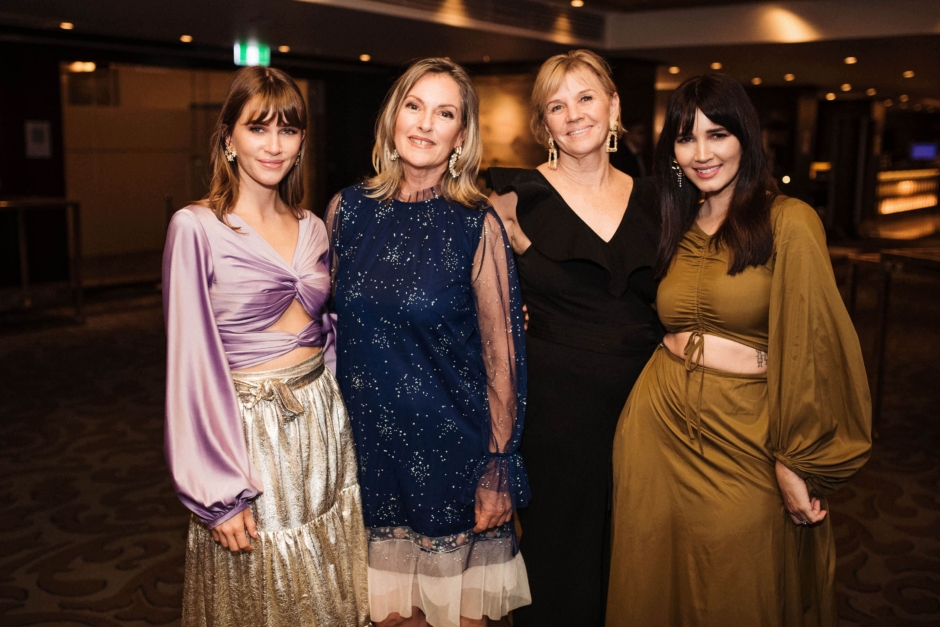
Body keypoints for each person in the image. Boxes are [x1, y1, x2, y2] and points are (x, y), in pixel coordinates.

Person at [607, 73, 872, 626]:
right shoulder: (672, 223)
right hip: (657, 427)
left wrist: (795, 456)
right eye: (686, 138)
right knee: (654, 582)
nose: (702, 153)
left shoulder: (789, 220)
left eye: (717, 134)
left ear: (746, 140)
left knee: (740, 586)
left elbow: (815, 347)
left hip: (747, 431)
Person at [325, 58, 530, 627]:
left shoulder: (476, 223)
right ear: (393, 118)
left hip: (450, 458)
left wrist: (498, 465)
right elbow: (325, 329)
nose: (424, 124)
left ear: (460, 136)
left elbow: (501, 356)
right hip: (366, 458)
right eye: (414, 106)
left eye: (445, 113)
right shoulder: (347, 211)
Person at [162, 66, 369, 627]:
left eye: (289, 130)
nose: (275, 146)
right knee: (265, 593)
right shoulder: (195, 227)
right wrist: (217, 487)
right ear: (228, 137)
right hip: (249, 436)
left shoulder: (313, 225)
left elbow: (331, 330)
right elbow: (189, 364)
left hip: (323, 423)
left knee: (328, 580)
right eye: (259, 129)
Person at [487, 50, 663, 627]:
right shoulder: (513, 199)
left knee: (639, 555)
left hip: (649, 408)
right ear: (544, 125)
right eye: (556, 106)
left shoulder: (660, 203)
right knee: (560, 561)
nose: (574, 114)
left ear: (614, 106)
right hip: (557, 417)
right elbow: (475, 303)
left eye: (586, 98)